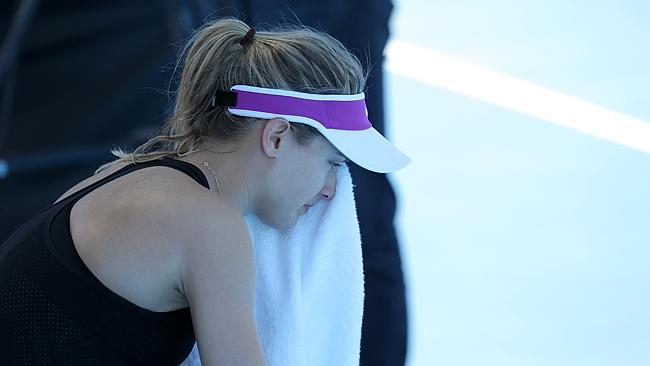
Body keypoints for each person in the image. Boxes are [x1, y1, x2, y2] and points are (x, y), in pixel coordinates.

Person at [0, 18, 410, 365]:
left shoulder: (128, 173)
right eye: (332, 165)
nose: (330, 192)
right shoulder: (209, 225)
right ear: (278, 137)